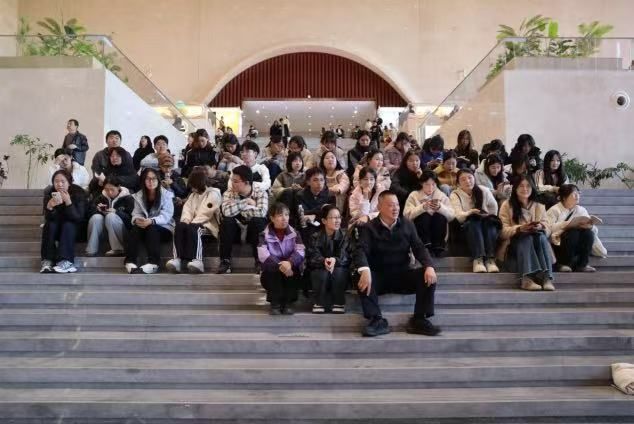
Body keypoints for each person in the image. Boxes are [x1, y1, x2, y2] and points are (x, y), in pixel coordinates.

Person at [351, 190, 440, 337]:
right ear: (379, 207)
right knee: (359, 276)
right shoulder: (369, 227)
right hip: (379, 277)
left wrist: (429, 266)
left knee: (428, 275)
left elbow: (419, 247)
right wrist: (365, 270)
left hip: (402, 275)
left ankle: (419, 319)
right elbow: (360, 250)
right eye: (391, 205)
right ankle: (376, 319)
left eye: (397, 204)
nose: (396, 208)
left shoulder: (407, 225)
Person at [498, 175, 555, 291]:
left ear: (532, 188)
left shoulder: (539, 205)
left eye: (528, 186)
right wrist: (519, 229)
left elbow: (549, 228)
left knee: (541, 236)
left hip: (537, 245)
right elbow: (502, 231)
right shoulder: (507, 205)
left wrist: (541, 226)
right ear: (515, 188)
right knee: (526, 237)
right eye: (521, 186)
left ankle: (547, 278)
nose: (525, 189)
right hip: (514, 249)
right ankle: (526, 279)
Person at [166, 168, 222, 274]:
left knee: (194, 228)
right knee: (180, 226)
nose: (192, 188)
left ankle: (198, 260)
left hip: (208, 225)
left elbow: (206, 213)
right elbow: (187, 210)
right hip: (193, 224)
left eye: (193, 186)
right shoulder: (193, 195)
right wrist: (185, 221)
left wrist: (191, 224)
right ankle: (177, 259)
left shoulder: (213, 193)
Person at [217, 165, 269, 274]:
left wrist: (236, 206)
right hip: (234, 232)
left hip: (252, 232)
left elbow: (261, 212)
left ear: (247, 182)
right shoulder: (229, 193)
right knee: (227, 221)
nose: (232, 183)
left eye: (235, 181)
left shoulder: (261, 192)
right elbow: (226, 212)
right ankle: (225, 261)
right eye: (232, 180)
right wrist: (246, 202)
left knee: (258, 221)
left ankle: (259, 262)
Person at [124, 168, 175, 274]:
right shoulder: (139, 195)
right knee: (135, 229)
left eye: (154, 179)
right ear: (144, 181)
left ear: (158, 180)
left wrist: (151, 221)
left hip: (165, 228)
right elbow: (136, 213)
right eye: (147, 179)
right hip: (146, 226)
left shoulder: (166, 195)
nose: (151, 181)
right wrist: (137, 220)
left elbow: (167, 216)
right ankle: (130, 261)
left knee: (152, 228)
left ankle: (154, 263)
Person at [257, 203, 304, 315]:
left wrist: (290, 263)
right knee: (273, 271)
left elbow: (300, 251)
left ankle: (288, 303)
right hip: (271, 273)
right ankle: (275, 304)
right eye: (280, 215)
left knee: (294, 270)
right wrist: (281, 265)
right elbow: (263, 255)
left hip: (290, 270)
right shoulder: (264, 235)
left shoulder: (295, 234)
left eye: (287, 215)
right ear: (272, 218)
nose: (284, 218)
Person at [450, 169, 500, 273]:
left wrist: (486, 215)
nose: (467, 181)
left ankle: (490, 259)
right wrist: (470, 212)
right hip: (466, 228)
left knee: (489, 223)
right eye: (463, 179)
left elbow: (493, 208)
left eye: (470, 178)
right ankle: (478, 259)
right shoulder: (455, 194)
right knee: (474, 221)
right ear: (458, 183)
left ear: (474, 178)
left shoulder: (484, 190)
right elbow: (458, 216)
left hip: (485, 224)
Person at [40, 170, 87, 273]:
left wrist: (68, 202)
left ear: (69, 182)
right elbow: (50, 218)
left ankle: (67, 261)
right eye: (56, 181)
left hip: (77, 230)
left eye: (63, 181)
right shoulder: (49, 193)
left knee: (68, 224)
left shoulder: (78, 192)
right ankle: (47, 260)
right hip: (59, 229)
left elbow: (78, 218)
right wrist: (50, 208)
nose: (59, 184)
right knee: (49, 225)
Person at [307, 204, 350, 313]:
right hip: (321, 267)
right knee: (321, 272)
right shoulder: (315, 236)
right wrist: (323, 261)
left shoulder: (345, 236)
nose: (338, 220)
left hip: (339, 266)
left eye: (339, 217)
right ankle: (319, 302)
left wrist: (335, 260)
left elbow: (345, 255)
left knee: (339, 271)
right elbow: (313, 256)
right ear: (324, 220)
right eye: (334, 217)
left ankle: (339, 302)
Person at [546, 184, 599, 272]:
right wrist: (567, 224)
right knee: (572, 232)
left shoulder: (581, 210)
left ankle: (582, 264)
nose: (577, 196)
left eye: (578, 194)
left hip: (576, 243)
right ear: (564, 198)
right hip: (558, 244)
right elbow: (548, 227)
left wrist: (589, 226)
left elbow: (588, 224)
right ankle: (563, 263)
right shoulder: (554, 210)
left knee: (588, 233)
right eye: (574, 194)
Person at [404, 171, 454, 257]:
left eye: (433, 184)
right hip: (419, 232)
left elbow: (452, 216)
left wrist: (440, 208)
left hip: (438, 231)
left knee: (439, 215)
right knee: (424, 215)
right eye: (427, 184)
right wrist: (422, 207)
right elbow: (406, 216)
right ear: (421, 183)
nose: (430, 187)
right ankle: (425, 245)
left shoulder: (441, 196)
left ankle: (438, 246)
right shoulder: (414, 195)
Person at [85, 176, 134, 257]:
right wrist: (99, 211)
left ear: (118, 187)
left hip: (123, 232)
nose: (109, 192)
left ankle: (118, 249)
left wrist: (117, 212)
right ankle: (91, 249)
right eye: (106, 189)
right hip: (105, 232)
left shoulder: (128, 198)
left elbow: (131, 220)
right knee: (96, 217)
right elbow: (88, 215)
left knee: (111, 216)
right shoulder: (101, 197)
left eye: (112, 189)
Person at [295, 167, 335, 240]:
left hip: (323, 225)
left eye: (322, 180)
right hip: (306, 226)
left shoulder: (330, 196)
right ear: (308, 182)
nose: (319, 183)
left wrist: (314, 216)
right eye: (315, 180)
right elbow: (303, 214)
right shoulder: (300, 195)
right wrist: (322, 207)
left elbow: (331, 214)